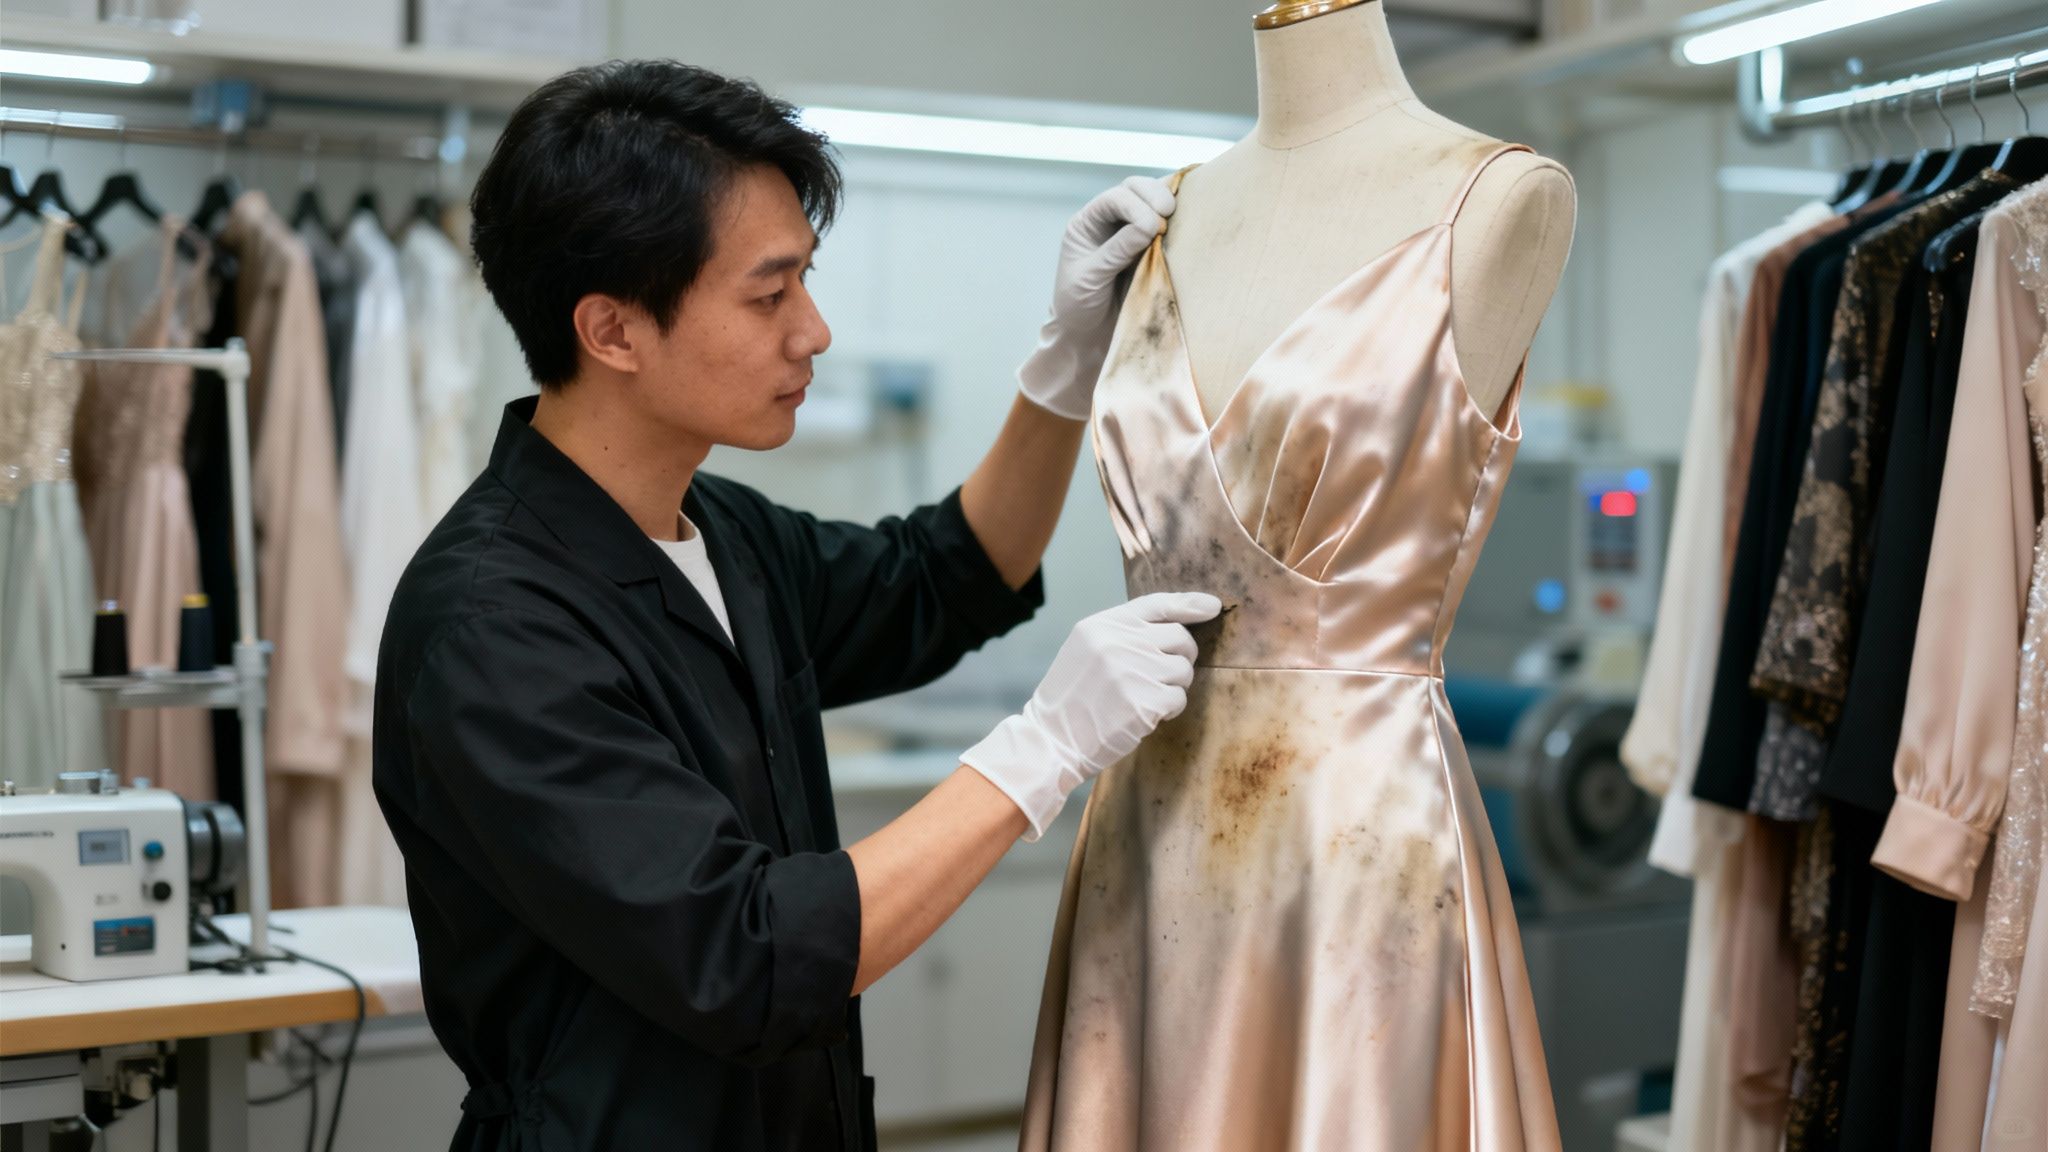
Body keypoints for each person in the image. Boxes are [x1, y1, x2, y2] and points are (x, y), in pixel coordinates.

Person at [372, 59, 1220, 1152]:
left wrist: (1063, 366)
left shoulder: (719, 531)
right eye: (768, 295)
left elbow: (943, 576)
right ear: (612, 331)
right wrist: (1044, 749)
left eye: (804, 283)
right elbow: (748, 957)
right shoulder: (492, 625)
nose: (811, 330)